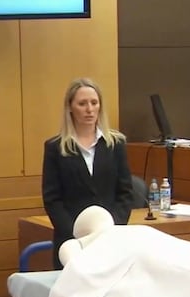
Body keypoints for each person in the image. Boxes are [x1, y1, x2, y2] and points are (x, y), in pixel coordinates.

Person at [41, 78, 134, 270]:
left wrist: (109, 230)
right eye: (82, 104)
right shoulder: (55, 148)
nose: (89, 109)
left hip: (110, 239)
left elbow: (125, 193)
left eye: (94, 103)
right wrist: (77, 234)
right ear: (70, 108)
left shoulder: (115, 144)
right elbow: (52, 199)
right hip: (72, 242)